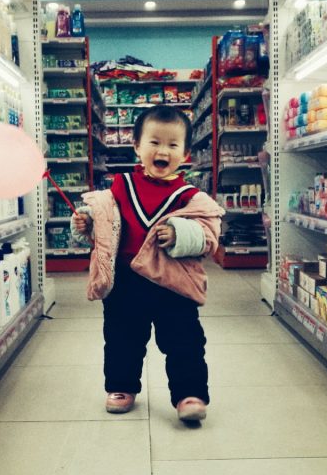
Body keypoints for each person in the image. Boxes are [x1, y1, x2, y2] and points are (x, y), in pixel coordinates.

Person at [71, 105, 224, 423]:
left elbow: (209, 237)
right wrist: (88, 225)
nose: (163, 150)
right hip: (126, 281)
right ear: (137, 146)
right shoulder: (120, 188)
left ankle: (189, 393)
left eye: (172, 144)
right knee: (121, 337)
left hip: (173, 283)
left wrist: (181, 233)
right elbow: (108, 226)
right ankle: (121, 386)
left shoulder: (190, 198)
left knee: (184, 339)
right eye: (154, 142)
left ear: (185, 153)